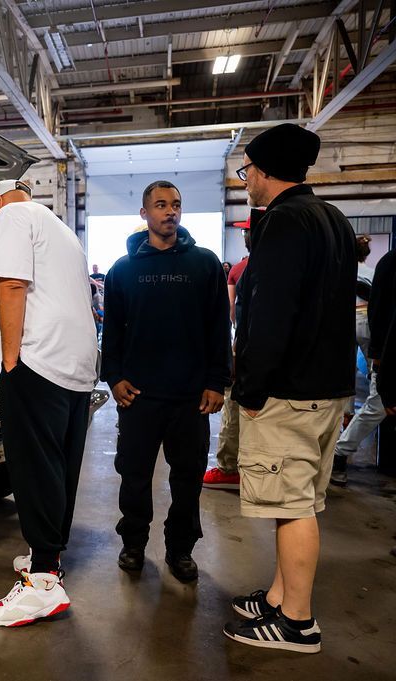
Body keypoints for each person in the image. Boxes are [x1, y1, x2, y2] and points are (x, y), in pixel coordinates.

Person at [224, 123, 356, 654]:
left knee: (292, 505)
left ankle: (297, 622)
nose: (247, 181)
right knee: (297, 500)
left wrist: (251, 389)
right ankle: (281, 598)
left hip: (288, 389)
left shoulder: (282, 221)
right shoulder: (332, 219)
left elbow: (271, 313)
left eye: (248, 171)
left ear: (265, 170)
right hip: (326, 385)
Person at [0, 178, 98, 627]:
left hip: (37, 359)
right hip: (76, 364)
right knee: (59, 465)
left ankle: (43, 584)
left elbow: (11, 284)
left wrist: (11, 360)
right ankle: (48, 555)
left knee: (32, 466)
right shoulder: (62, 229)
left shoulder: (11, 216)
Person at [101, 181, 231, 582]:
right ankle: (133, 543)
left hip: (190, 396)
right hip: (139, 396)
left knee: (187, 479)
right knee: (135, 476)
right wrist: (114, 377)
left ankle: (180, 548)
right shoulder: (123, 270)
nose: (170, 211)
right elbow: (113, 333)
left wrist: (217, 381)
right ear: (145, 214)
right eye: (160, 205)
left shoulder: (204, 264)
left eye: (175, 204)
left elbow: (218, 327)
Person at [203, 216, 258, 490]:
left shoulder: (241, 269)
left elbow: (232, 312)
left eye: (246, 232)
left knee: (234, 407)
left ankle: (228, 467)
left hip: (247, 347)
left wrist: (233, 351)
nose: (244, 236)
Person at [331, 241, 391, 486]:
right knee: (376, 389)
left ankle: (346, 413)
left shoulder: (340, 270)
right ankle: (339, 451)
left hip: (344, 320)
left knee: (344, 374)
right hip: (366, 320)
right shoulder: (374, 271)